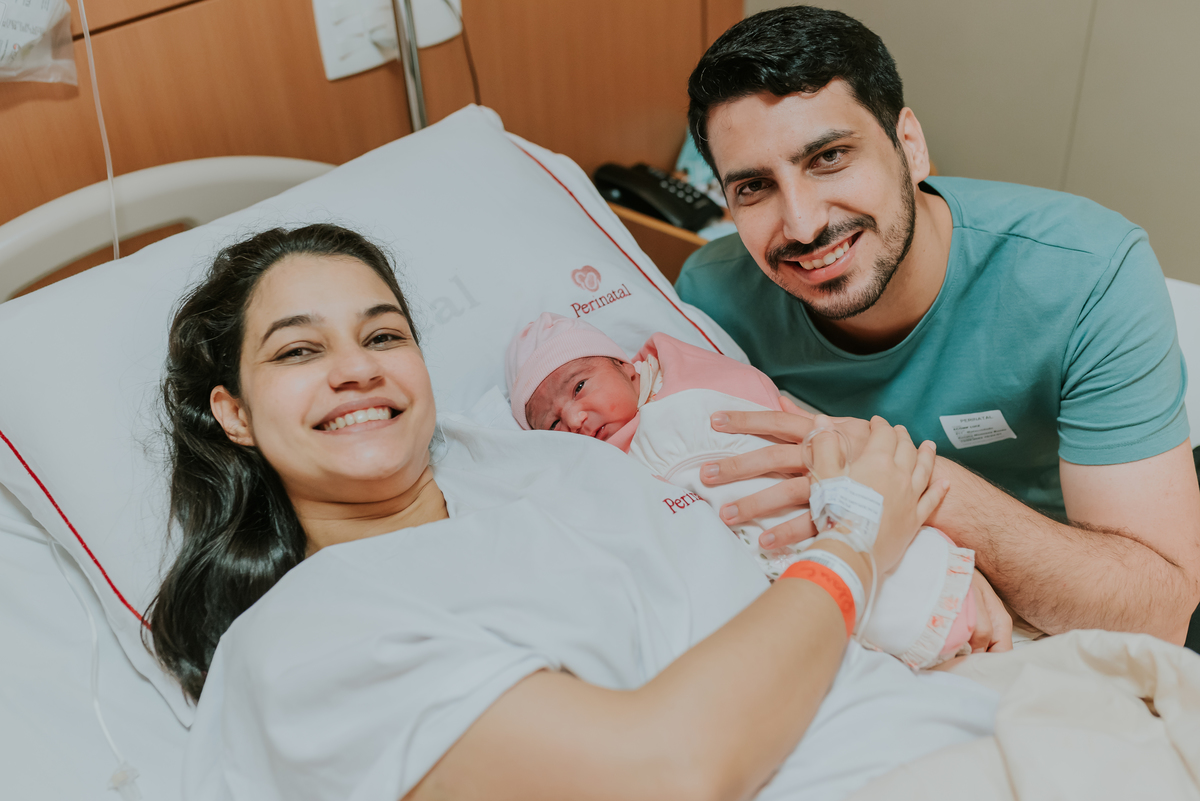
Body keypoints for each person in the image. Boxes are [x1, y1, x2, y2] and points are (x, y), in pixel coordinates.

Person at [150, 224, 1001, 801]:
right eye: (300, 350)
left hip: (956, 740)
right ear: (234, 414)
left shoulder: (562, 469)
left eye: (382, 337)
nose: (356, 370)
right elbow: (662, 773)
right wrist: (857, 543)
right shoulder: (303, 638)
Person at [672, 5, 1200, 644]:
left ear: (910, 145)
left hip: (1065, 582)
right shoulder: (710, 297)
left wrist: (914, 486)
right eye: (754, 187)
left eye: (830, 157)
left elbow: (1159, 612)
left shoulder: (1089, 274)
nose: (804, 226)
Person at [506, 311, 1011, 666]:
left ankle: (931, 596)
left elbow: (782, 426)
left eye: (578, 386)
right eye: (550, 422)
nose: (574, 417)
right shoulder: (601, 475)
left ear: (626, 366)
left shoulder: (688, 402)